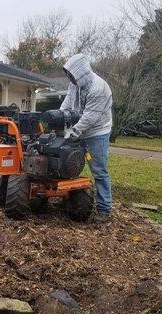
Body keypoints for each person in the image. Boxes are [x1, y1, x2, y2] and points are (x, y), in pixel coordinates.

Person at [60, 53, 113, 222]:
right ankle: (71, 199)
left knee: (98, 170)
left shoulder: (98, 89)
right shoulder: (75, 84)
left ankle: (104, 209)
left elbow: (89, 118)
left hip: (97, 132)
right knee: (69, 163)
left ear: (81, 73)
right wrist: (59, 119)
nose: (70, 79)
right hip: (79, 127)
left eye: (72, 75)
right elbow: (68, 103)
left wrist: (72, 132)